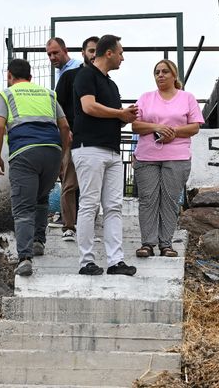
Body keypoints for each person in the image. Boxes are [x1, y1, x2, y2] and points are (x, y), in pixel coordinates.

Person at [0, 58, 72, 276]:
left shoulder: (6, 94)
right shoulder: (48, 94)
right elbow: (65, 127)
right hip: (52, 151)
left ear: (9, 76)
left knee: (23, 207)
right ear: (31, 77)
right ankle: (38, 241)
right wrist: (63, 157)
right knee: (41, 198)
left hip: (24, 153)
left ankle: (25, 258)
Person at [72, 34, 138, 276]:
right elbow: (88, 106)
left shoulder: (111, 84)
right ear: (108, 52)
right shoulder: (86, 74)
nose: (122, 57)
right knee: (89, 205)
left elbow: (109, 117)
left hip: (111, 150)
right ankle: (85, 261)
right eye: (120, 52)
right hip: (89, 148)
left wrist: (125, 117)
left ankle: (115, 261)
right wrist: (120, 113)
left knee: (114, 207)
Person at [131, 60, 203, 257]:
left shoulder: (187, 98)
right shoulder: (145, 98)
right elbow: (136, 125)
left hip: (177, 157)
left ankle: (166, 244)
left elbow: (195, 126)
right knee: (148, 199)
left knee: (170, 200)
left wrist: (174, 131)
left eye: (164, 72)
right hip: (147, 156)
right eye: (156, 72)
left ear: (174, 75)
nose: (160, 75)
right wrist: (156, 128)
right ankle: (147, 243)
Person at [49, 36, 99, 241]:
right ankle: (69, 226)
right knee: (69, 183)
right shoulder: (70, 75)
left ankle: (88, 228)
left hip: (95, 139)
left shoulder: (104, 81)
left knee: (93, 187)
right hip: (72, 137)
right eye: (91, 51)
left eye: (97, 51)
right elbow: (56, 106)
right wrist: (65, 129)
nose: (94, 55)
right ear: (83, 53)